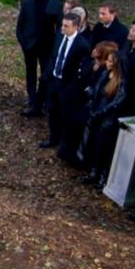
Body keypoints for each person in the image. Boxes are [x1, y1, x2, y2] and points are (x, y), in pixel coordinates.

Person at [41, 13, 92, 162]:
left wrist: (72, 87)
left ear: (76, 27)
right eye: (62, 25)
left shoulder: (82, 45)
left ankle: (64, 143)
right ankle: (53, 138)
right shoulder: (59, 37)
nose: (62, 28)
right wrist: (48, 75)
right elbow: (54, 56)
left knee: (65, 114)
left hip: (67, 85)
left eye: (66, 26)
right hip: (54, 81)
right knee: (52, 110)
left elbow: (82, 70)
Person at [15, 0, 63, 117]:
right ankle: (32, 99)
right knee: (30, 73)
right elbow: (20, 25)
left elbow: (60, 28)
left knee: (45, 75)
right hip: (29, 46)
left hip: (47, 47)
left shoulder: (55, 4)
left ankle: (43, 101)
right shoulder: (27, 3)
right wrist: (23, 42)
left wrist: (55, 47)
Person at [81, 44, 127, 187]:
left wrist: (99, 113)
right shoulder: (104, 74)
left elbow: (116, 103)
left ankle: (103, 177)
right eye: (108, 60)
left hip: (107, 121)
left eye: (111, 61)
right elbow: (96, 91)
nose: (107, 63)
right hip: (95, 115)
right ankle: (94, 172)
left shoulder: (122, 82)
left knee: (104, 150)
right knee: (94, 146)